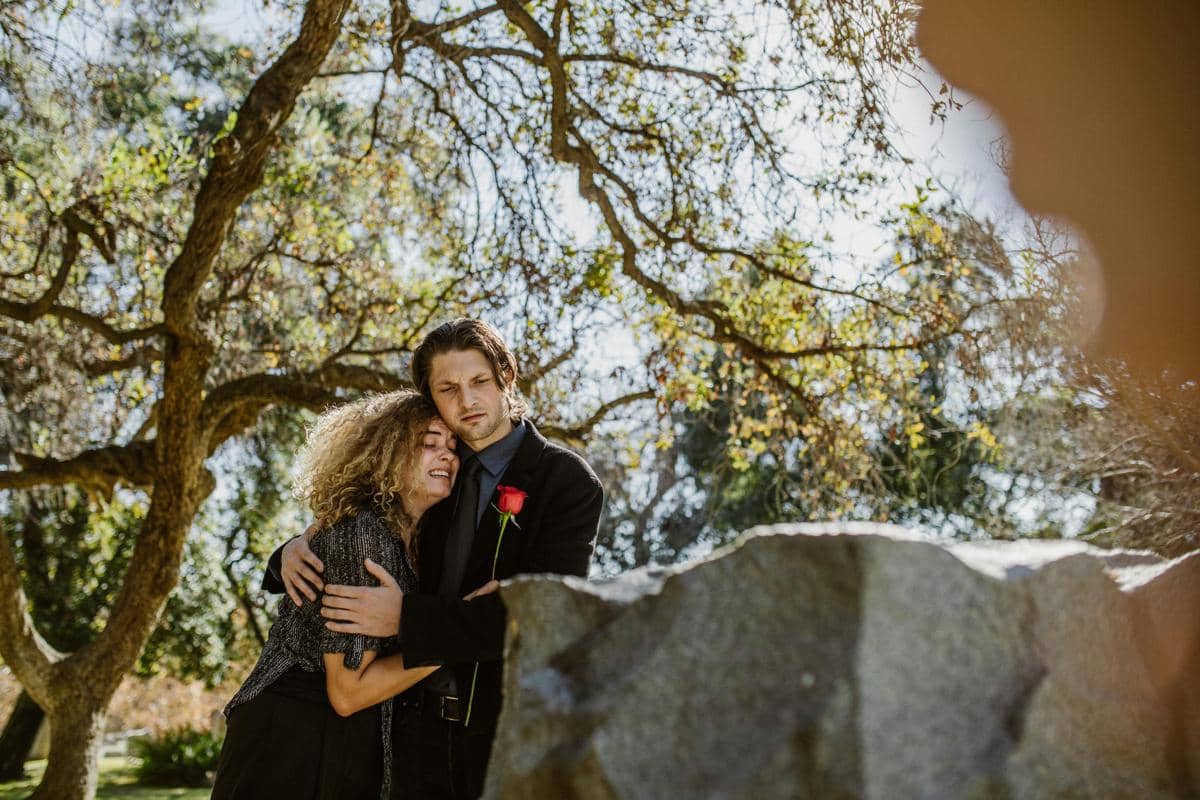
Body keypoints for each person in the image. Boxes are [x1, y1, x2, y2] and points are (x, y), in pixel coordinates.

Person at [265, 318, 605, 799]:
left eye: (479, 381)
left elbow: (543, 616)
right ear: (430, 396)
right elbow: (358, 525)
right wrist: (288, 553)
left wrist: (405, 617)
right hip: (405, 739)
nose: (467, 401)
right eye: (448, 389)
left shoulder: (566, 482)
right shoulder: (430, 467)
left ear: (506, 377)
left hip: (499, 740)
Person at [213, 390, 496, 800]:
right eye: (428, 443)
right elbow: (348, 692)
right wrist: (458, 635)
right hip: (289, 740)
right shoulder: (362, 535)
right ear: (388, 455)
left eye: (452, 447)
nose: (447, 456)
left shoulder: (417, 543)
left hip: (342, 739)